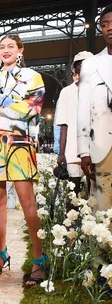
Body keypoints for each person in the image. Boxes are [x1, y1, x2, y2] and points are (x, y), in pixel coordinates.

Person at [0, 34, 46, 285]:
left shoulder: (32, 77)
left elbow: (31, 110)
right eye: (2, 47)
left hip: (20, 144)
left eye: (10, 46)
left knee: (27, 202)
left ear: (20, 50)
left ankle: (39, 258)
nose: (5, 50)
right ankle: (1, 253)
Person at [77, 4, 112, 211]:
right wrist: (83, 152)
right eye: (105, 24)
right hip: (102, 144)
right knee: (103, 205)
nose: (109, 28)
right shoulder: (90, 65)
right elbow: (83, 109)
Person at [56, 51, 93, 204]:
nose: (83, 68)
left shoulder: (100, 89)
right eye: (79, 65)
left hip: (96, 149)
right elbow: (64, 124)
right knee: (73, 192)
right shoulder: (67, 92)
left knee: (96, 192)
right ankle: (70, 226)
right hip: (72, 149)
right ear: (75, 69)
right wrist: (61, 153)